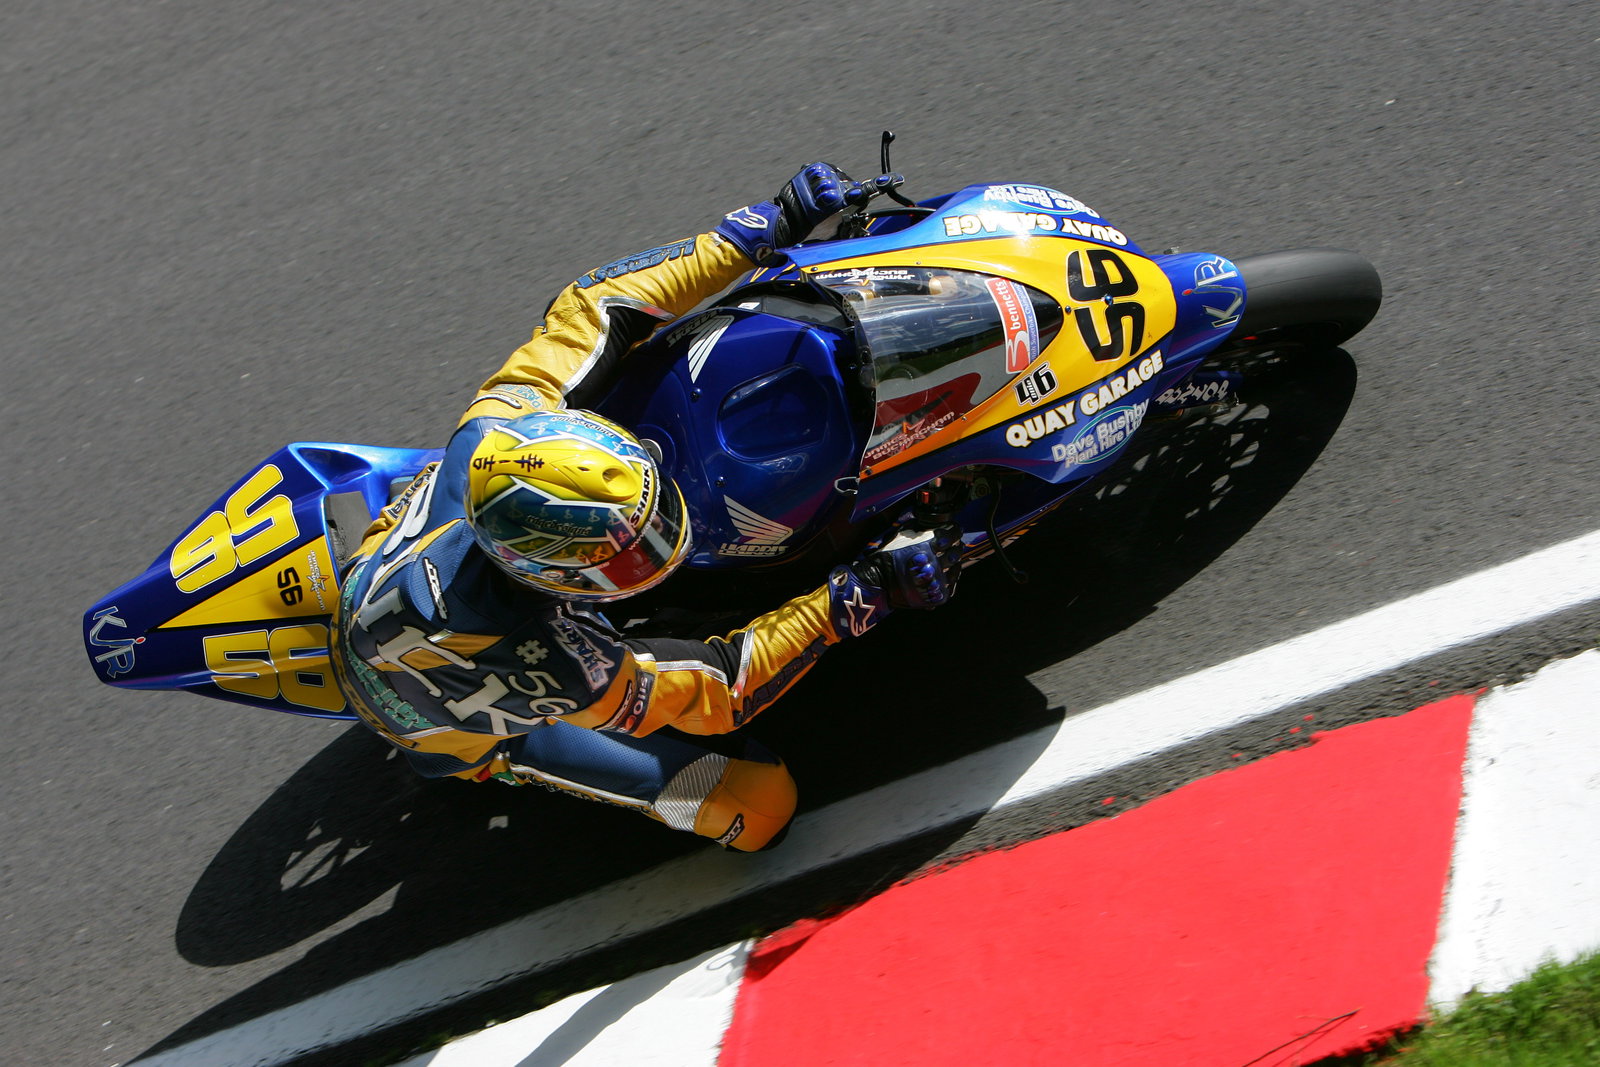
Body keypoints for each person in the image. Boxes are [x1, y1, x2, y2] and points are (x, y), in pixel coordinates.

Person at [330, 163, 959, 852]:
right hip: (464, 723)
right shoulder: (566, 666)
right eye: (624, 556)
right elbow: (723, 687)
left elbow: (597, 306)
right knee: (759, 809)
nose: (659, 545)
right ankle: (505, 765)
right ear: (549, 579)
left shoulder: (499, 423)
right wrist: (859, 596)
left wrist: (754, 230)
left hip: (390, 575)